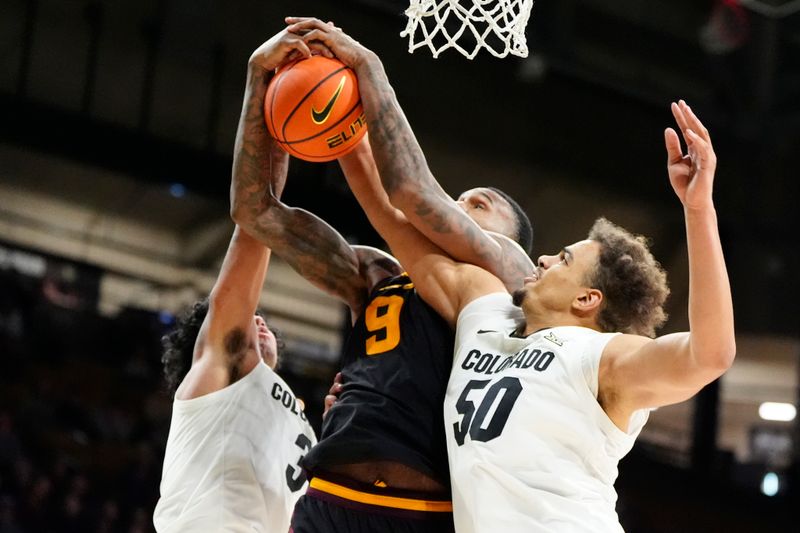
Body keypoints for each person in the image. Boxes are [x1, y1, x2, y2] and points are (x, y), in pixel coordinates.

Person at [290, 19, 735, 532]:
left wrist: (699, 210)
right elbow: (391, 212)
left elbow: (712, 353)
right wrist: (332, 107)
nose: (544, 260)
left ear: (589, 299)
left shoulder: (604, 361)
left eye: (564, 259)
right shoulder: (487, 313)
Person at [229, 29, 535, 533]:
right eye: (457, 199)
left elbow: (409, 192)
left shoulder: (513, 282)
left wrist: (365, 65)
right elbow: (254, 211)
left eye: (478, 205)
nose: (456, 206)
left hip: (424, 510)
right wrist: (261, 83)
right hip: (328, 496)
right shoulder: (377, 274)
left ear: (515, 241)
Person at [152, 30, 319, 533]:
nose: (256, 316)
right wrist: (263, 95)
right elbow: (254, 225)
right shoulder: (214, 375)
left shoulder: (300, 420)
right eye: (247, 315)